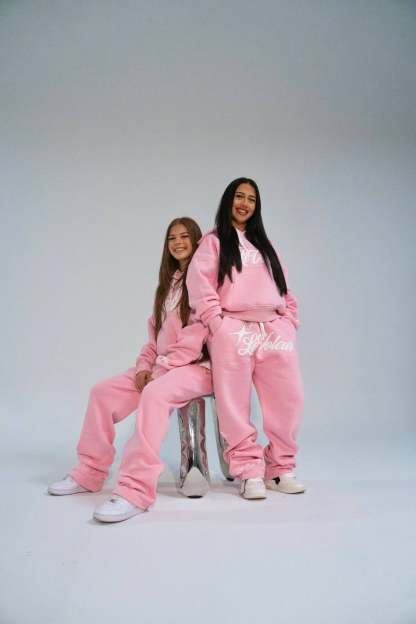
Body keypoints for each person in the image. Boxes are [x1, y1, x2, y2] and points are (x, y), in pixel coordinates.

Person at [48, 217, 212, 522]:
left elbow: (193, 341)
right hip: (163, 367)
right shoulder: (168, 286)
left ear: (196, 240)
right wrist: (143, 368)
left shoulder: (203, 282)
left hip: (198, 368)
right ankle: (90, 472)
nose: (177, 242)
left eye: (184, 236)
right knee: (102, 393)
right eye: (172, 238)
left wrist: (159, 372)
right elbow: (155, 340)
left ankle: (135, 491)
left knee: (154, 395)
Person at [186, 178, 305, 500]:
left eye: (251, 199)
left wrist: (288, 322)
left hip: (273, 329)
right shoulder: (213, 242)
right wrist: (218, 324)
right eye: (239, 196)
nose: (245, 204)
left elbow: (284, 288)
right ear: (228, 200)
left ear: (257, 206)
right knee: (234, 403)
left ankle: (279, 468)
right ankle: (249, 471)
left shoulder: (265, 245)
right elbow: (200, 285)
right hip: (233, 328)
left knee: (288, 399)